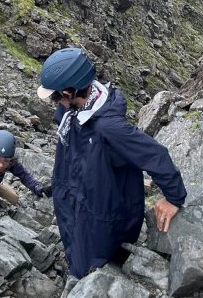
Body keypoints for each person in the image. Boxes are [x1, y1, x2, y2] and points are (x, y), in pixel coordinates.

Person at [37, 47, 187, 279]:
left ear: (69, 92)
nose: (55, 103)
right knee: (74, 247)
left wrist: (174, 197)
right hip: (75, 198)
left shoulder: (109, 128)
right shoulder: (73, 111)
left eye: (56, 96)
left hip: (99, 211)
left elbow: (155, 155)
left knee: (88, 269)